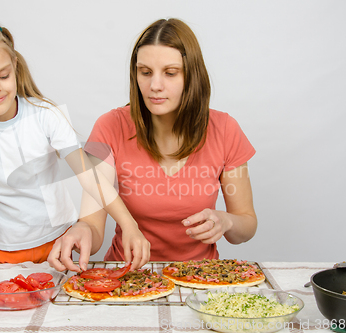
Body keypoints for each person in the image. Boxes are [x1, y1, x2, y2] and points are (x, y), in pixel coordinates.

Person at [0, 16, 149, 291]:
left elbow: (90, 176)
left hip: (60, 246)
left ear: (15, 67)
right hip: (5, 253)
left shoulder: (45, 116)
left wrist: (129, 225)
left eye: (3, 75)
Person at [48, 18, 257, 272]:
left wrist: (226, 222)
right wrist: (81, 230)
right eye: (145, 72)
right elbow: (93, 224)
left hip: (199, 278)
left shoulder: (225, 129)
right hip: (128, 276)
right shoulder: (110, 127)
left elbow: (246, 227)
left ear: (192, 76)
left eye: (170, 73)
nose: (154, 86)